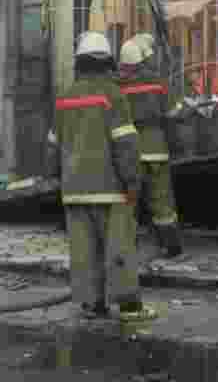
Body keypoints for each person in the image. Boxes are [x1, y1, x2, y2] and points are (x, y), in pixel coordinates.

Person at [46, 31, 157, 322]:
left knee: (84, 252)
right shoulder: (113, 95)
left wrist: (57, 179)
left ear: (79, 63)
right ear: (107, 62)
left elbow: (52, 146)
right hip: (111, 189)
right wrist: (133, 181)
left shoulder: (64, 98)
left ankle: (92, 304)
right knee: (119, 247)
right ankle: (130, 307)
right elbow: (125, 144)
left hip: (74, 189)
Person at [118, 33, 183, 258]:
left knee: (129, 201)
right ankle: (171, 246)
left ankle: (126, 247)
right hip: (156, 150)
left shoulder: (117, 86)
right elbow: (174, 113)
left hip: (129, 152)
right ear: (144, 59)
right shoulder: (157, 82)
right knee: (162, 200)